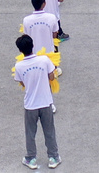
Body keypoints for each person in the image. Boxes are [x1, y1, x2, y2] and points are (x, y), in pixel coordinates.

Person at [13, 34, 59, 170]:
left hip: (30, 105)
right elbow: (51, 76)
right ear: (33, 46)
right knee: (49, 131)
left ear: (20, 51)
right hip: (45, 102)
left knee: (30, 133)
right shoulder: (44, 60)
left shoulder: (19, 66)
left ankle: (31, 158)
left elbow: (21, 82)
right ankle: (53, 157)